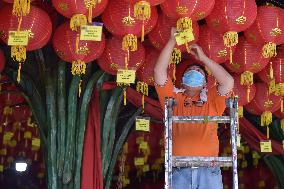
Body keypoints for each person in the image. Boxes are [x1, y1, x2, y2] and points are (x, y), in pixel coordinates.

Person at [154, 28, 234, 189]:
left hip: (208, 169)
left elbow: (228, 82)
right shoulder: (173, 98)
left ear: (205, 83)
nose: (194, 72)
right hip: (179, 169)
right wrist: (171, 41)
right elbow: (158, 71)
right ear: (182, 81)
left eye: (198, 72)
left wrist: (203, 58)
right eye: (190, 71)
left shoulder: (212, 100)